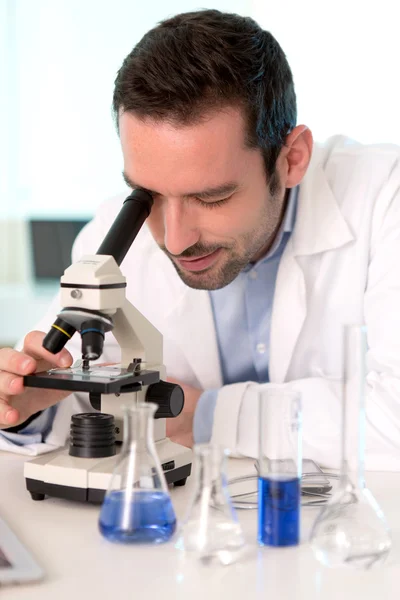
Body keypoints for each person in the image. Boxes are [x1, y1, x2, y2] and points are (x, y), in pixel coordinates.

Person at [0, 9, 399, 469]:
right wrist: (24, 410)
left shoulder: (386, 198)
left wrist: (207, 416)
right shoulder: (111, 235)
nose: (174, 239)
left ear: (291, 159)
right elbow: (78, 401)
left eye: (211, 198)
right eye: (147, 194)